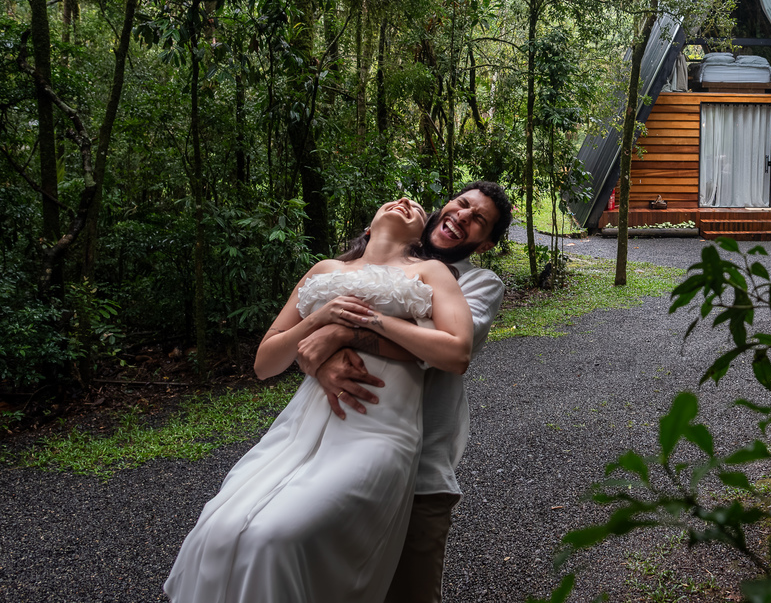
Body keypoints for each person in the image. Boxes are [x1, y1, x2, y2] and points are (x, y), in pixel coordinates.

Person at [164, 196, 479, 603]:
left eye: (416, 205)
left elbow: (456, 353)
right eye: (393, 199)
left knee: (275, 536)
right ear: (367, 227)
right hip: (299, 427)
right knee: (221, 528)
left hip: (378, 430)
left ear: (421, 237)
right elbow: (265, 363)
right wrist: (321, 316)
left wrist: (364, 321)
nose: (404, 201)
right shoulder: (325, 270)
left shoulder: (432, 271)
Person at [301, 181, 512, 603]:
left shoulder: (480, 284)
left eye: (478, 221)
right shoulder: (380, 256)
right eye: (462, 204)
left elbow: (438, 349)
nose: (463, 217)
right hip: (329, 453)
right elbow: (306, 330)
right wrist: (319, 360)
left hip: (420, 468)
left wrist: (344, 333)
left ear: (485, 244)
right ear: (445, 204)